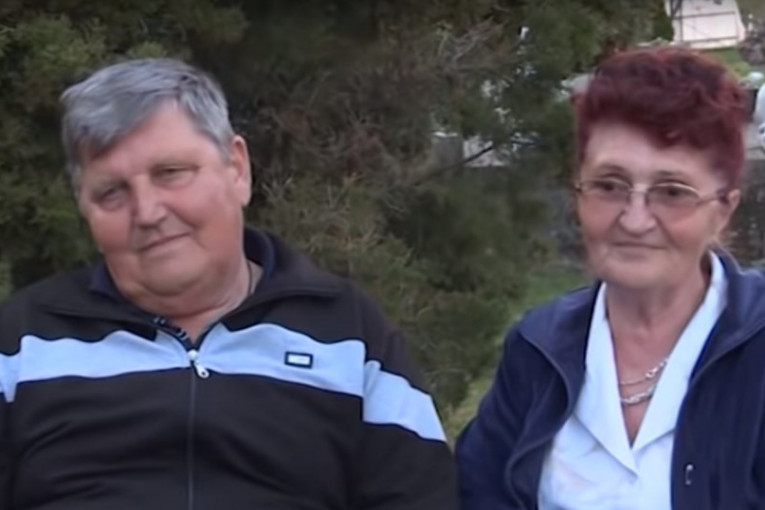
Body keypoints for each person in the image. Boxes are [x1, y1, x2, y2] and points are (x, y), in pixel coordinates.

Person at [0, 58, 457, 510]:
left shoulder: (348, 335)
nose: (148, 213)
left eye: (170, 173)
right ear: (84, 207)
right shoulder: (22, 346)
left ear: (237, 169)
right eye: (111, 193)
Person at [456, 46, 765, 509]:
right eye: (609, 185)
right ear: (578, 192)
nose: (635, 220)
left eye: (672, 192)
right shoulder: (537, 349)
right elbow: (479, 494)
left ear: (723, 210)